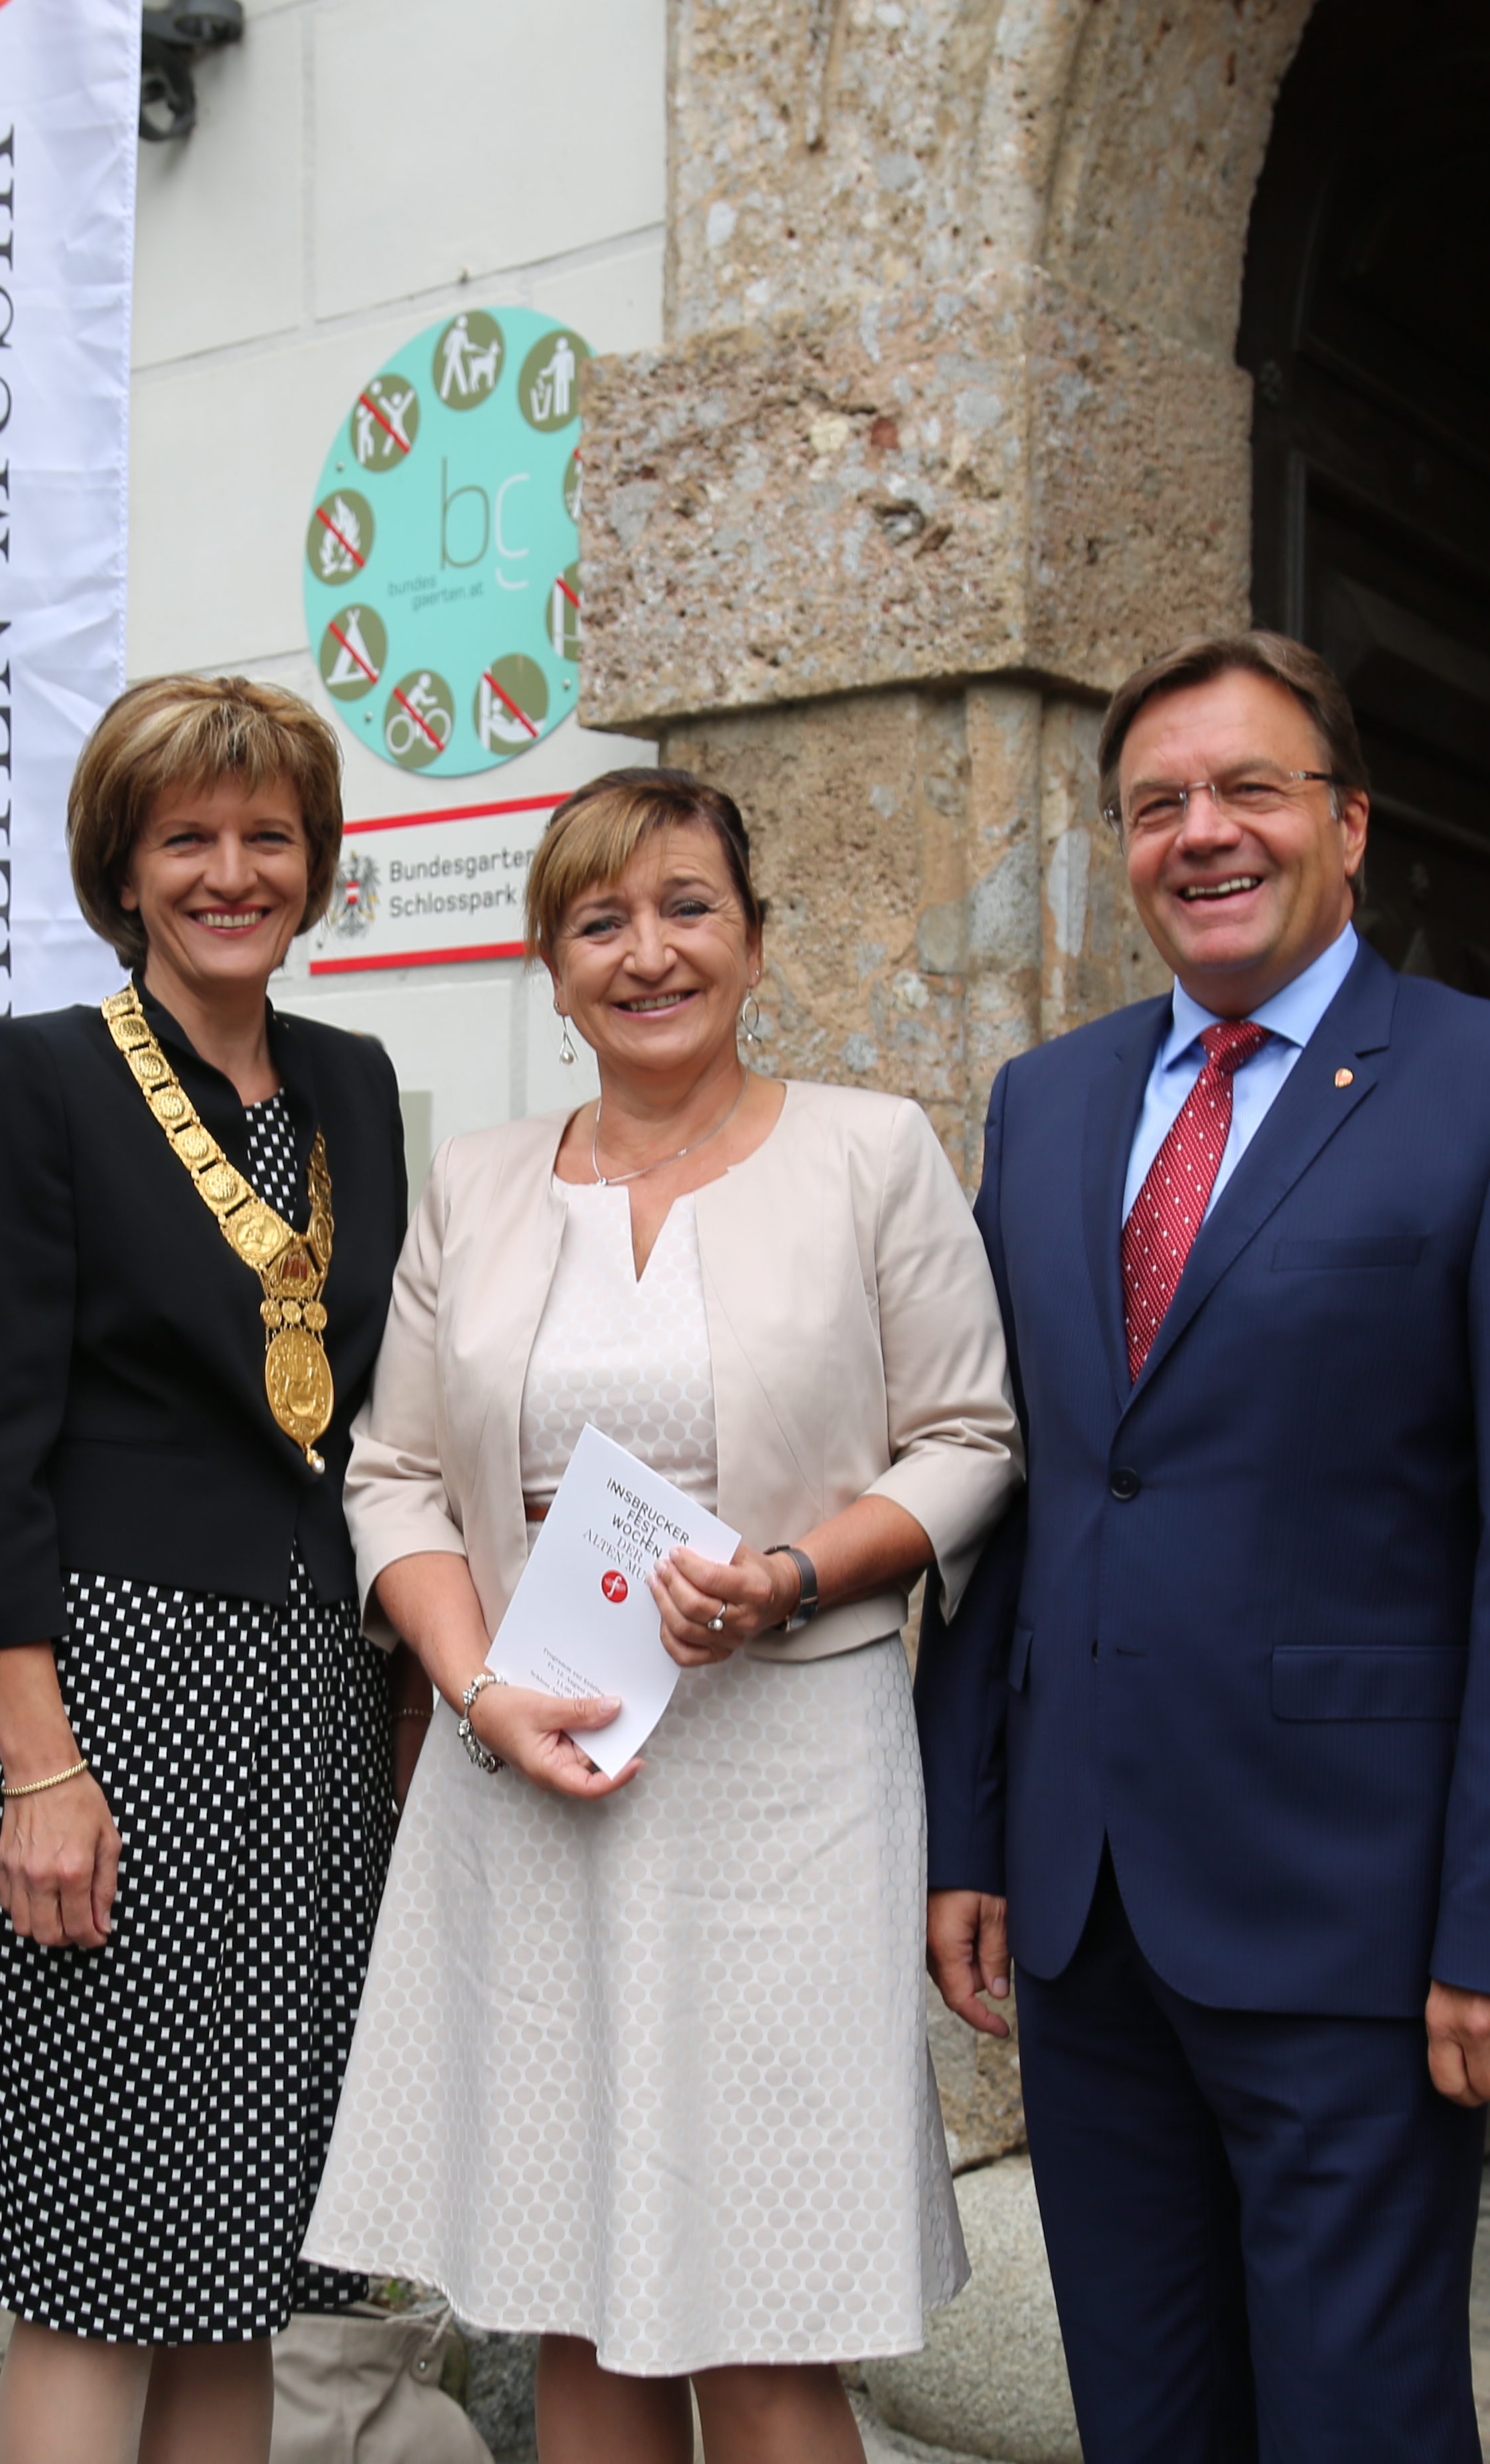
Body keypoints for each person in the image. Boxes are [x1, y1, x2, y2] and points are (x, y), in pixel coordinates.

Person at [919, 633, 1490, 2464]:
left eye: (1248, 788)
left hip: (1357, 1919)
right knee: (1143, 2417)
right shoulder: (1046, 1102)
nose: (1201, 832)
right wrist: (973, 1831)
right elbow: (1022, 1488)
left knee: (1355, 2418)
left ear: (1348, 823)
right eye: (1155, 803)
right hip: (1085, 1919)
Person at [303, 769, 1019, 2462]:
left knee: (764, 2314)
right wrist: (475, 1686)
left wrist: (794, 1572)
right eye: (598, 921)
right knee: (573, 2295)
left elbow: (969, 1439)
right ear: (551, 968)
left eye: (687, 907)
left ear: (755, 941)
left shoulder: (869, 1153)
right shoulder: (476, 1181)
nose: (647, 952)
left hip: (785, 1780)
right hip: (534, 1769)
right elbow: (392, 1475)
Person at [0, 675, 411, 2464]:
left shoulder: (354, 1084)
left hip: (312, 1698)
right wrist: (36, 1765)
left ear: (314, 863)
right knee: (94, 2245)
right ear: (122, 870)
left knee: (244, 2247)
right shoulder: (42, 1075)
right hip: (111, 1698)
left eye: (267, 836)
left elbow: (382, 1413)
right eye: (186, 838)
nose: (231, 872)